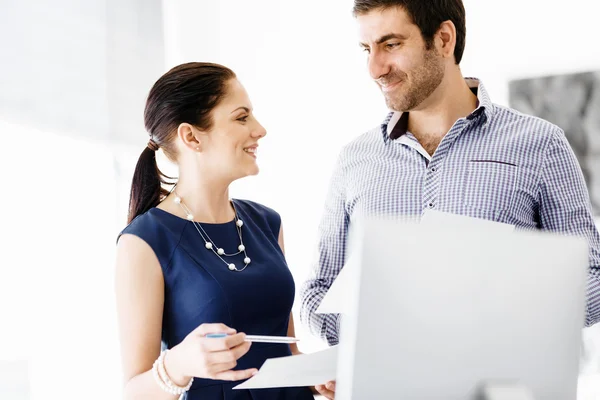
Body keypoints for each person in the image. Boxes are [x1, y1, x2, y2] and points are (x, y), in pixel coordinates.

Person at [301, 1, 600, 397]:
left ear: (443, 39)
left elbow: (593, 277)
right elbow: (315, 292)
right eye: (366, 49)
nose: (375, 68)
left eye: (390, 44)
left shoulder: (539, 145)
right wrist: (363, 342)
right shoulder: (355, 160)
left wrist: (497, 319)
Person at [115, 62, 320, 400]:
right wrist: (177, 365)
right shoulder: (144, 242)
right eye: (242, 117)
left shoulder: (268, 223)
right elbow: (134, 392)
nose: (260, 129)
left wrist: (316, 376)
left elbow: (286, 351)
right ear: (191, 136)